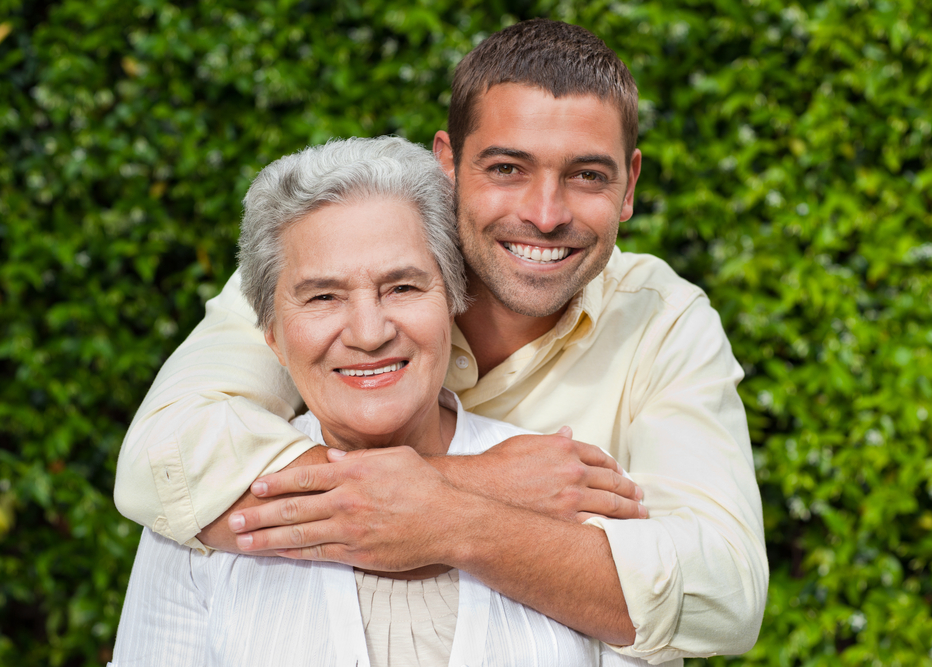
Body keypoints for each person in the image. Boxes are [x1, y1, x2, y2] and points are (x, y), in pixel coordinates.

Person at [115, 19, 767, 664]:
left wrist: (454, 520)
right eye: (508, 168)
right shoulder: (341, 255)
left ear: (629, 184)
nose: (545, 213)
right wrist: (469, 482)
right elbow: (162, 457)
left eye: (587, 176)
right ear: (449, 162)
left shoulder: (664, 320)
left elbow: (722, 594)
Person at [109, 136, 647, 666]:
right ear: (271, 334)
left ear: (454, 303)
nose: (369, 333)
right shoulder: (206, 513)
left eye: (404, 288)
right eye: (323, 296)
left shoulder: (567, 490)